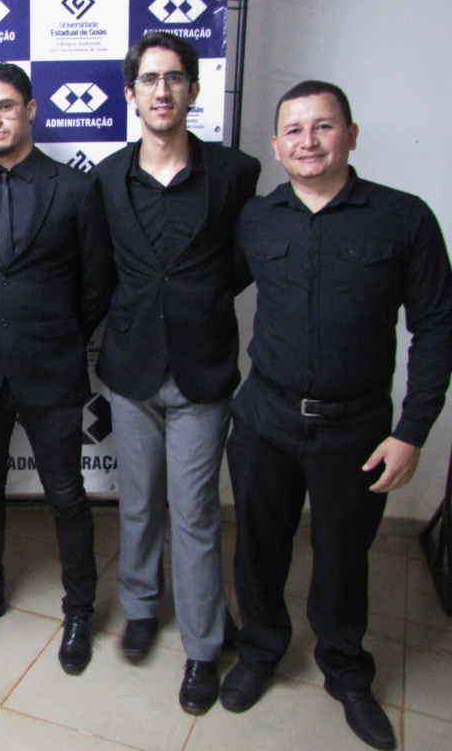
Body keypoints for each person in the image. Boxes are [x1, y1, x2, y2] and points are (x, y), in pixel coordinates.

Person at [222, 81, 452, 750]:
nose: (309, 141)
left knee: (344, 557)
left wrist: (411, 431)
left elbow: (437, 326)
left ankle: (347, 672)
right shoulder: (257, 218)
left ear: (351, 134)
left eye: (323, 126)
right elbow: (207, 289)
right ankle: (261, 650)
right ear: (276, 146)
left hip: (357, 427)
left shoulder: (404, 218)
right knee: (258, 548)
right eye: (294, 130)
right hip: (265, 417)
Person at [86, 32, 260, 713]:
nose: (162, 90)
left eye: (174, 78)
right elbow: (102, 272)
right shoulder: (107, 178)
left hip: (202, 371)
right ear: (131, 95)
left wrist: (196, 303)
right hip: (131, 370)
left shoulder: (235, 173)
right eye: (149, 79)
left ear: (193, 89)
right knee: (137, 502)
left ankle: (202, 646)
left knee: (194, 514)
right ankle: (139, 605)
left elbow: (241, 263)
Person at [0, 62, 110, 675]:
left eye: (5, 107)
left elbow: (97, 284)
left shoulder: (76, 189)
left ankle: (79, 610)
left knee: (67, 495)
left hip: (51, 369)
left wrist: (54, 336)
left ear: (30, 110)